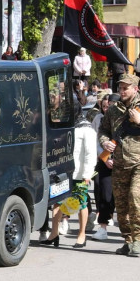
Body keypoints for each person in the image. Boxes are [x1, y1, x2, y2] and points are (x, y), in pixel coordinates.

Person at [98, 74, 140, 256]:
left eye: (125, 88)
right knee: (121, 205)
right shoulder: (113, 110)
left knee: (136, 197)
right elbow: (103, 130)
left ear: (135, 89)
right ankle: (127, 239)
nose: (122, 91)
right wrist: (105, 143)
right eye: (120, 88)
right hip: (120, 163)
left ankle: (138, 239)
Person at [39, 98, 97, 248]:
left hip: (79, 172)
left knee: (81, 202)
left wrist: (87, 174)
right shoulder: (63, 127)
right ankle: (54, 233)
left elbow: (90, 153)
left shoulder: (87, 129)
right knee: (57, 201)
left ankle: (81, 234)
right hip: (62, 171)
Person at [91, 92, 116, 241]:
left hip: (123, 162)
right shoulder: (100, 119)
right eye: (106, 106)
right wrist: (105, 158)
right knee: (103, 191)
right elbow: (97, 139)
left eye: (112, 106)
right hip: (103, 160)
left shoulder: (125, 119)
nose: (108, 109)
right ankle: (103, 226)